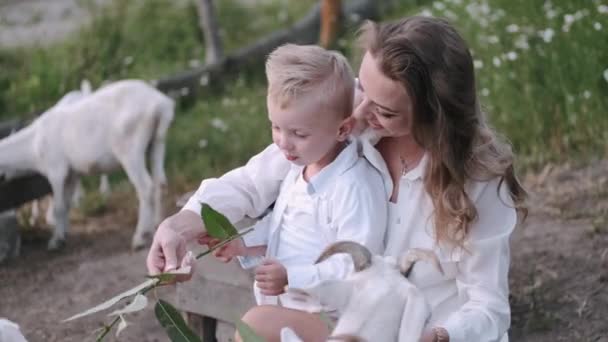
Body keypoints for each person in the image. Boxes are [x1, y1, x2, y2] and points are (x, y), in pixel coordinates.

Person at [147, 16, 527, 342]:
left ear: (434, 117)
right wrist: (180, 226)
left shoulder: (477, 184)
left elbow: (487, 307)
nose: (361, 111)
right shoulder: (347, 132)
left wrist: (442, 335)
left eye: (384, 111)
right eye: (363, 88)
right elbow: (251, 181)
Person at [206, 43, 389, 315]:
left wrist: (293, 276)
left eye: (299, 134)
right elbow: (283, 226)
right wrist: (244, 245)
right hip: (288, 307)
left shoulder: (354, 187)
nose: (283, 143)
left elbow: (357, 261)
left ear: (343, 129)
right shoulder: (300, 168)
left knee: (255, 324)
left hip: (331, 316)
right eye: (276, 127)